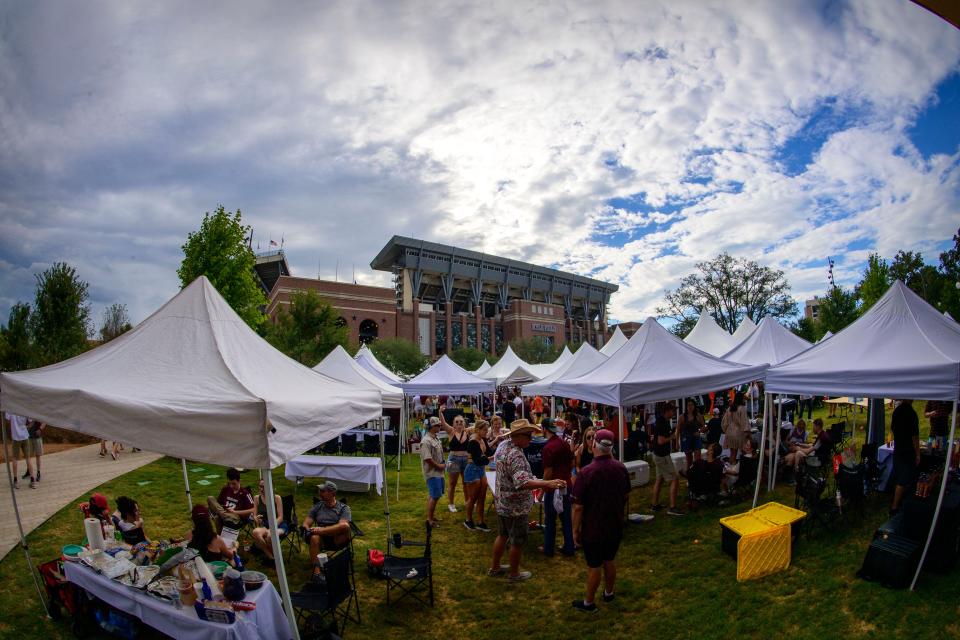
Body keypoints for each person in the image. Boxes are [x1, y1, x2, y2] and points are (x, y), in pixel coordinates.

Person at [488, 419, 566, 582]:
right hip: (516, 507)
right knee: (517, 540)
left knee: (502, 535)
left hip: (502, 502)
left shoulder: (504, 446)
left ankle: (495, 567)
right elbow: (522, 482)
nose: (531, 439)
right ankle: (514, 573)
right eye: (528, 436)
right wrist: (547, 483)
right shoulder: (516, 454)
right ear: (518, 436)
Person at [571, 428, 630, 612]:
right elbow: (627, 494)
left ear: (595, 444)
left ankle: (589, 603)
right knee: (609, 560)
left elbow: (578, 506)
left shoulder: (587, 472)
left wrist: (574, 530)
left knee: (594, 565)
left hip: (594, 528)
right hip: (614, 524)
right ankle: (609, 593)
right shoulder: (620, 467)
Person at [540, 418, 574, 557]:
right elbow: (571, 463)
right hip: (566, 484)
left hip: (553, 486)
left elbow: (548, 471)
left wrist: (542, 489)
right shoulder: (564, 443)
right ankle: (569, 547)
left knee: (550, 519)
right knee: (566, 518)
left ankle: (548, 549)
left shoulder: (548, 447)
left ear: (544, 429)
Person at [302, 480, 352, 564]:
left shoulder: (344, 508)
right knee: (314, 538)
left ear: (332, 493)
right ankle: (317, 572)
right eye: (319, 491)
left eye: (322, 491)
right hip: (322, 538)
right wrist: (307, 531)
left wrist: (321, 530)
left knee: (345, 526)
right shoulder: (317, 506)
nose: (319, 493)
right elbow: (306, 523)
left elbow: (343, 526)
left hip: (337, 538)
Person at [651, 402, 683, 516]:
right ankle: (672, 507)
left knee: (659, 479)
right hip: (662, 456)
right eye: (673, 410)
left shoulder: (661, 420)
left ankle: (654, 505)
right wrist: (672, 437)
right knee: (674, 478)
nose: (674, 413)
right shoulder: (662, 423)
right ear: (667, 411)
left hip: (658, 454)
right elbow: (661, 441)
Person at [891, 399, 920, 514]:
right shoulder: (911, 413)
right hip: (907, 450)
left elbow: (893, 428)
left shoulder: (897, 410)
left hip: (898, 447)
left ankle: (899, 500)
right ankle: (894, 507)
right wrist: (918, 453)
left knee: (899, 476)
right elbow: (915, 436)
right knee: (903, 479)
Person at [463, 420, 492, 532]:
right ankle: (468, 520)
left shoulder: (482, 439)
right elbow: (478, 460)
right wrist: (488, 459)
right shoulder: (473, 442)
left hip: (481, 470)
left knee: (482, 497)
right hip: (472, 470)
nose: (486, 432)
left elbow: (489, 452)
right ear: (478, 430)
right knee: (473, 498)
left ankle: (480, 521)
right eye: (484, 430)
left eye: (487, 430)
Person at [439, 409, 470, 513]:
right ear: (453, 424)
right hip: (453, 459)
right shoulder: (451, 431)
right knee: (452, 483)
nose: (459, 423)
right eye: (457, 422)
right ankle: (451, 504)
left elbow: (480, 426)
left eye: (461, 421)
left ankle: (467, 501)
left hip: (466, 460)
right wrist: (440, 413)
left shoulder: (468, 431)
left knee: (466, 482)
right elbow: (443, 423)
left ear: (464, 423)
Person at [251, 479, 286, 562]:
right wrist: (257, 519)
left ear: (270, 487)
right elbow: (254, 515)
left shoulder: (276, 498)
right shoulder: (256, 498)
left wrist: (271, 528)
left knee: (270, 536)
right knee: (255, 532)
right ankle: (271, 557)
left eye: (264, 487)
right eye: (260, 486)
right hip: (264, 525)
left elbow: (280, 517)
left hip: (278, 525)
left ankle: (274, 558)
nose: (262, 489)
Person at [420, 417, 446, 527]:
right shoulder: (426, 441)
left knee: (435, 495)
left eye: (439, 425)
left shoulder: (435, 438)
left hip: (438, 472)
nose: (439, 427)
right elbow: (427, 459)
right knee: (435, 495)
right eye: (437, 425)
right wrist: (439, 466)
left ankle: (431, 516)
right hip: (432, 473)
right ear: (430, 427)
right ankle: (429, 520)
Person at [4, 413, 34, 489]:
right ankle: (32, 480)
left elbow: (7, 419)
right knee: (28, 458)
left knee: (14, 458)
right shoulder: (23, 407)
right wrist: (26, 427)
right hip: (25, 436)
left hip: (16, 437)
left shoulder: (10, 408)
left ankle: (15, 481)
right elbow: (32, 420)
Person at [721, 392, 748, 463]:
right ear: (741, 399)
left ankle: (731, 468)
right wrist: (748, 433)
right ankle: (742, 469)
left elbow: (724, 422)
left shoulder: (730, 408)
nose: (745, 400)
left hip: (729, 433)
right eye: (744, 398)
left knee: (732, 454)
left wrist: (726, 430)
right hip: (739, 433)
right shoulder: (742, 408)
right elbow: (744, 423)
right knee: (745, 453)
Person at [678, 399, 704, 468]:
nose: (690, 407)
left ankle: (697, 475)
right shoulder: (682, 417)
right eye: (688, 405)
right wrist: (677, 443)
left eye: (692, 405)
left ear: (694, 406)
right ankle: (690, 475)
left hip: (696, 438)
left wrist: (699, 431)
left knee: (698, 460)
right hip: (686, 439)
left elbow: (704, 427)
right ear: (686, 406)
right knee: (689, 460)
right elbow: (677, 430)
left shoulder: (698, 416)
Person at [25, 417, 44, 483]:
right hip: (28, 437)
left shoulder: (38, 410)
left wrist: (40, 429)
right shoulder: (27, 411)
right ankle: (28, 471)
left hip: (37, 437)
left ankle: (38, 473)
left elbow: (45, 420)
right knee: (28, 456)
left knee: (37, 455)